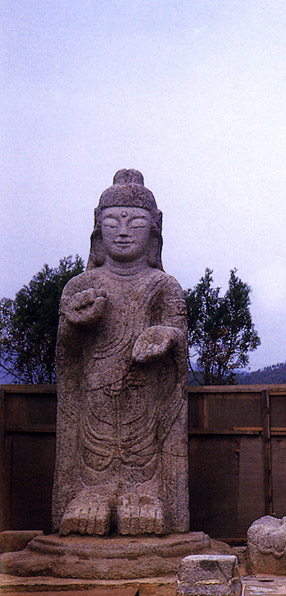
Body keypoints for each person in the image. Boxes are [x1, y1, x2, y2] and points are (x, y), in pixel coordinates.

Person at [52, 169, 189, 536]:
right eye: (113, 222)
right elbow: (66, 359)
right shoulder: (81, 286)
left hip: (145, 406)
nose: (123, 231)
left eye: (135, 222)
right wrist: (75, 325)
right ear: (98, 228)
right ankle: (91, 492)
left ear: (154, 229)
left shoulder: (164, 286)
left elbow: (179, 343)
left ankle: (145, 493)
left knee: (143, 447)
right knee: (92, 444)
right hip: (94, 403)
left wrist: (166, 337)